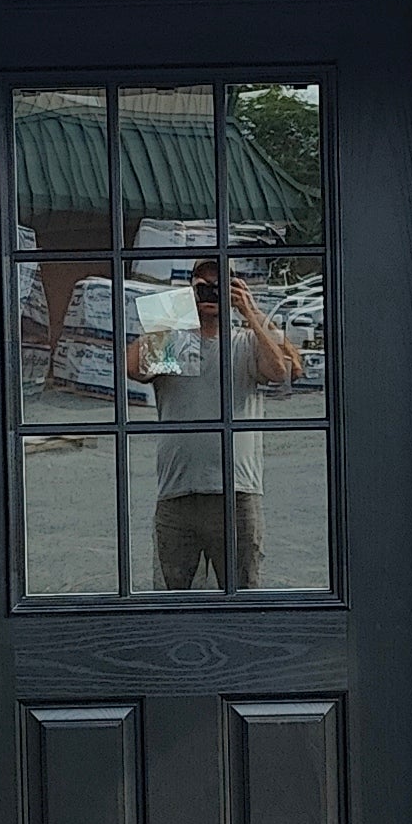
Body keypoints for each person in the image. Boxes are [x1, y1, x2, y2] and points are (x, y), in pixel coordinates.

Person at [127, 252, 300, 587]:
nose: (210, 293)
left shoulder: (247, 343)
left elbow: (280, 371)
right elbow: (133, 368)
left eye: (220, 287)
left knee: (244, 595)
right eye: (203, 286)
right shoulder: (172, 345)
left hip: (237, 492)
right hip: (177, 492)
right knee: (171, 599)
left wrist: (248, 310)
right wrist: (176, 308)